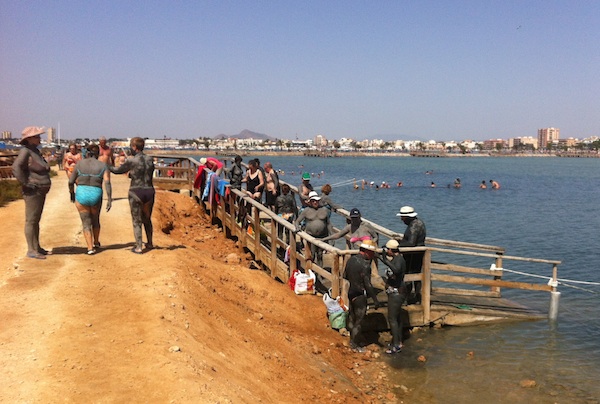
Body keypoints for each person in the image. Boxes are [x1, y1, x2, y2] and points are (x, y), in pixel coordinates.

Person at [108, 137, 155, 254]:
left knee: (136, 220)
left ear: (134, 147)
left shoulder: (131, 160)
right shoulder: (150, 159)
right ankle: (150, 243)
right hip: (149, 191)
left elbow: (117, 170)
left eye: (130, 146)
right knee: (147, 219)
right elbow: (147, 173)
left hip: (136, 191)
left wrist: (106, 166)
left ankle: (139, 247)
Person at [12, 126, 52, 259]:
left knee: (36, 220)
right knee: (31, 220)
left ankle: (37, 247)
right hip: (33, 191)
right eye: (36, 136)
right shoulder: (26, 151)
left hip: (40, 190)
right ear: (29, 139)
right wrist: (26, 183)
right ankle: (31, 249)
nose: (39, 138)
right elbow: (16, 167)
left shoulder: (35, 151)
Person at [69, 144, 112, 255]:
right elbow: (107, 182)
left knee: (86, 222)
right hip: (96, 193)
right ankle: (96, 242)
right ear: (98, 154)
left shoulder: (79, 164)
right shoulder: (103, 165)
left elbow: (70, 181)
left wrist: (72, 193)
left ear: (87, 153)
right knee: (95, 219)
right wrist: (109, 199)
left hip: (81, 193)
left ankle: (90, 248)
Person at [343, 239, 381, 353]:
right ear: (367, 251)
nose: (373, 255)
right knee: (359, 321)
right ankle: (354, 344)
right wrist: (375, 300)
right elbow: (368, 285)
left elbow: (344, 275)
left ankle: (352, 338)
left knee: (352, 316)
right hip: (360, 294)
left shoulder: (351, 260)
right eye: (372, 252)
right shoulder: (365, 265)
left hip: (351, 292)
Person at [376, 239, 407, 354]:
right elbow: (392, 266)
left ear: (390, 250)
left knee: (392, 319)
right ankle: (398, 341)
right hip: (395, 292)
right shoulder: (396, 258)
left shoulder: (399, 260)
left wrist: (384, 259)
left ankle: (396, 346)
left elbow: (396, 270)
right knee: (397, 318)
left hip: (397, 293)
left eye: (387, 249)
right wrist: (380, 257)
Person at [294, 191, 332, 267]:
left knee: (320, 255)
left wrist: (331, 237)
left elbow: (328, 224)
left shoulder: (324, 210)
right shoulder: (306, 211)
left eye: (316, 201)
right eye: (313, 201)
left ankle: (319, 272)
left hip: (322, 237)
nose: (315, 202)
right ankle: (310, 270)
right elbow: (297, 221)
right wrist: (297, 227)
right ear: (310, 202)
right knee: (311, 255)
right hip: (311, 237)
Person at [397, 206, 426, 304]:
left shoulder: (414, 226)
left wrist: (397, 246)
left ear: (408, 217)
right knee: (416, 275)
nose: (401, 219)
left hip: (413, 254)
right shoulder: (418, 222)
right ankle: (417, 297)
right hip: (418, 253)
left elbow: (411, 243)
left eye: (403, 217)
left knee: (409, 275)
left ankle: (407, 298)